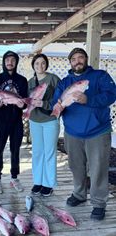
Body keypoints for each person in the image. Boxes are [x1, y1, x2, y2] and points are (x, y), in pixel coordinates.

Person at [52, 47, 116, 220]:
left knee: (98, 169)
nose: (77, 61)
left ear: (86, 59)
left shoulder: (100, 76)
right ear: (70, 62)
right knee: (76, 166)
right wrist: (58, 106)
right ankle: (79, 194)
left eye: (81, 57)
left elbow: (112, 95)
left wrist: (89, 100)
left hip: (97, 131)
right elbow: (55, 103)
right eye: (74, 59)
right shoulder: (64, 82)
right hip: (73, 132)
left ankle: (98, 202)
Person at [0, 51, 28, 194]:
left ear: (16, 62)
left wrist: (21, 105)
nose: (10, 62)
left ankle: (14, 177)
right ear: (3, 62)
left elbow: (24, 103)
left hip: (16, 121)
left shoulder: (22, 80)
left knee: (15, 150)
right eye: (7, 59)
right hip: (0, 121)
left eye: (12, 60)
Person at [28, 54, 60, 197]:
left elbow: (60, 99)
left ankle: (49, 183)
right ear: (33, 65)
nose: (40, 66)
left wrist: (44, 104)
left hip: (50, 121)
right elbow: (27, 101)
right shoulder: (30, 82)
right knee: (37, 152)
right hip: (34, 120)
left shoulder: (53, 79)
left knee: (49, 152)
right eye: (37, 63)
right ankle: (38, 181)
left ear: (46, 64)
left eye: (42, 63)